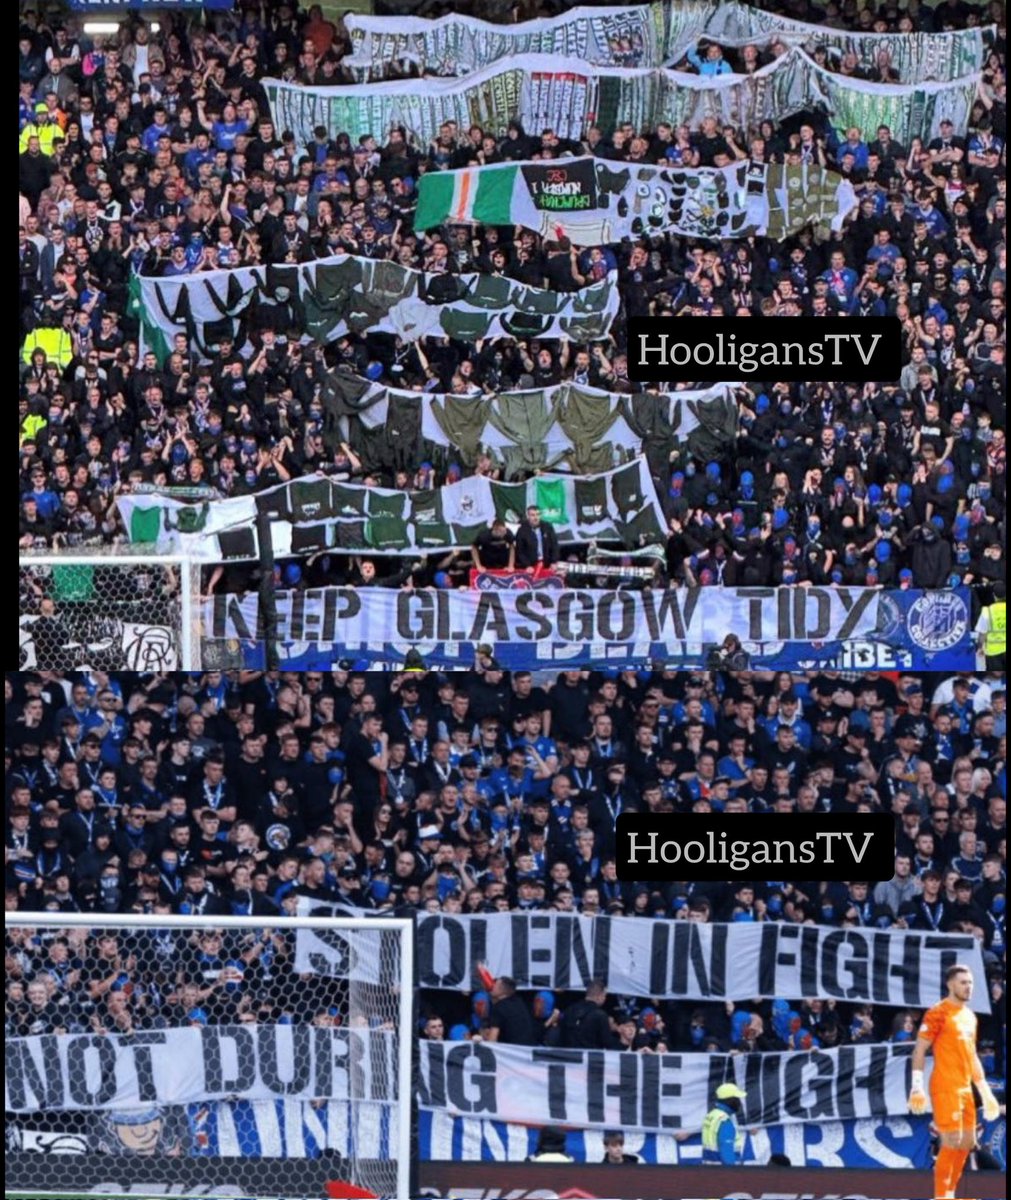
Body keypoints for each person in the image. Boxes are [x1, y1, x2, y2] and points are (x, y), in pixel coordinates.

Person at [908, 963, 1001, 1200]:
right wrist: (916, 1086)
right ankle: (943, 1196)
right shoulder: (938, 1012)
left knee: (968, 1143)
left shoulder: (970, 1016)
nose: (968, 987)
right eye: (963, 982)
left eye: (970, 982)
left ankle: (951, 1192)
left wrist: (986, 1092)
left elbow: (971, 1056)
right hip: (945, 1085)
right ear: (950, 984)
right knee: (950, 1142)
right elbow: (919, 1050)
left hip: (965, 1088)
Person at [701, 1082, 748, 1165]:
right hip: (724, 1172)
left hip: (708, 1169)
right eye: (737, 1099)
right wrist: (734, 1173)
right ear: (730, 1100)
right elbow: (727, 1152)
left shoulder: (711, 1115)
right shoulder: (724, 1121)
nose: (739, 1103)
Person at [975, 583, 1006, 671]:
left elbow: (982, 633)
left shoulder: (987, 612)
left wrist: (980, 647)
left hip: (993, 653)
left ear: (994, 595)